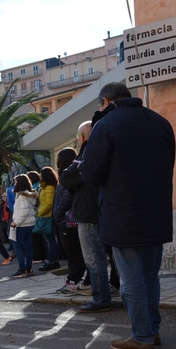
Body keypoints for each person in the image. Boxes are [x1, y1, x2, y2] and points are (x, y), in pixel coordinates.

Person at [80, 82, 176, 349]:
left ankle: (141, 336)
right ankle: (152, 330)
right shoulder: (160, 122)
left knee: (131, 278)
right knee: (149, 277)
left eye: (100, 106)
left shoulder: (107, 125)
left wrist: (98, 125)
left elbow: (92, 173)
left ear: (107, 101)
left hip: (123, 213)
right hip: (157, 212)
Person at [60, 121, 113, 313]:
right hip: (95, 210)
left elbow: (66, 178)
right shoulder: (97, 152)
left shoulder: (89, 153)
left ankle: (101, 298)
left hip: (89, 212)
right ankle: (103, 296)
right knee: (97, 256)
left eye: (78, 136)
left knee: (93, 257)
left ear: (83, 138)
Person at [53, 148, 87, 293]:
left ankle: (74, 279)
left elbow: (68, 197)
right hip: (65, 220)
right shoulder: (66, 176)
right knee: (72, 252)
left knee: (74, 253)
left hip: (68, 221)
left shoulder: (69, 177)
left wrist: (59, 211)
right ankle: (74, 278)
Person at [9, 174, 38, 277]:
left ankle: (22, 268)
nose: (14, 184)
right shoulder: (29, 194)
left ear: (19, 183)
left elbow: (24, 211)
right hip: (30, 223)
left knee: (17, 246)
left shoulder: (21, 196)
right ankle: (29, 268)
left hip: (22, 224)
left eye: (16, 182)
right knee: (28, 246)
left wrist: (16, 222)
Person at [37, 166, 60, 272]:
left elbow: (49, 204)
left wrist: (39, 212)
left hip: (47, 216)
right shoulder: (46, 187)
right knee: (50, 240)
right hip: (46, 216)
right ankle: (52, 260)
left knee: (51, 241)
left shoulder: (49, 188)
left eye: (41, 175)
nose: (39, 177)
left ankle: (52, 261)